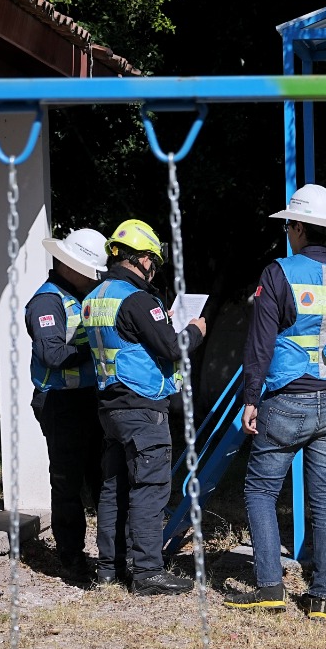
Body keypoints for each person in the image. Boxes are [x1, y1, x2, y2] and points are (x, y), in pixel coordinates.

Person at [223, 184, 326, 621]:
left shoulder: (278, 273)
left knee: (259, 490)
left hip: (286, 400)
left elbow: (260, 341)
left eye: (288, 225)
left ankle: (270, 587)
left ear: (295, 227)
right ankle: (322, 600)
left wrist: (250, 397)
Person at [82, 218, 207, 595]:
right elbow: (172, 348)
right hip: (142, 407)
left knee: (114, 488)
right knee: (149, 488)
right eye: (152, 260)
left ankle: (109, 568)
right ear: (139, 259)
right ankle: (149, 572)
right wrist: (196, 331)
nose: (154, 268)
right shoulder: (136, 299)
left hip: (110, 406)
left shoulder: (95, 297)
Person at [25, 227, 108, 585]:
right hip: (61, 403)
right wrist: (102, 348)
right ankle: (72, 559)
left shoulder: (82, 296)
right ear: (69, 265)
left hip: (90, 399)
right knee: (68, 484)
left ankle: (110, 559)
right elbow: (52, 353)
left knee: (103, 480)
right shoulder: (48, 301)